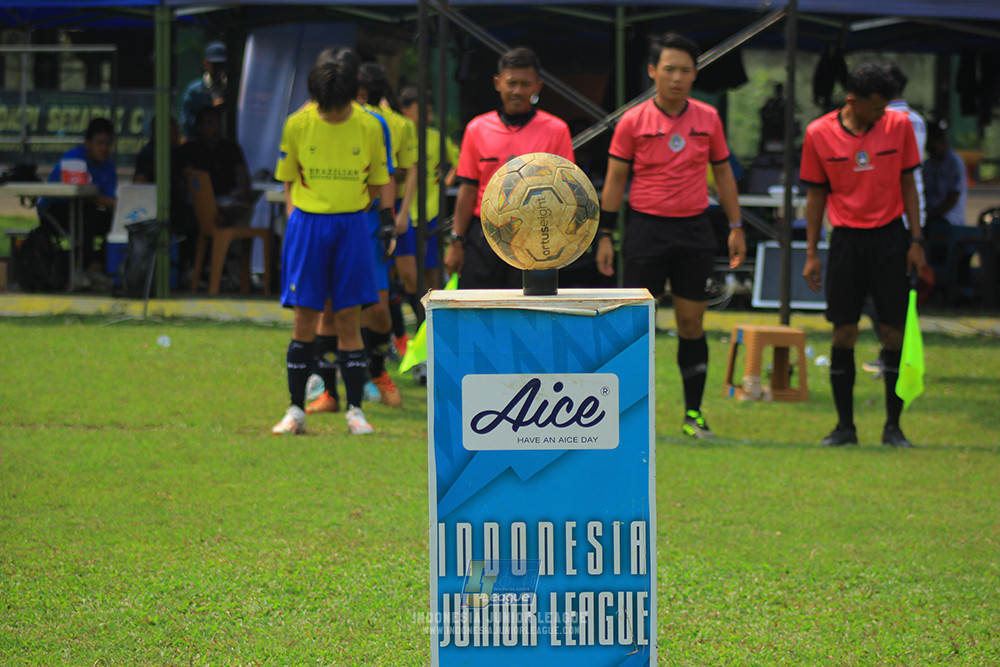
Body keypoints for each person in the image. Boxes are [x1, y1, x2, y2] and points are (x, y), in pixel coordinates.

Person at [595, 32, 745, 440]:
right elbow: (615, 180)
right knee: (636, 325)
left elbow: (724, 175)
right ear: (652, 71)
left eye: (684, 70)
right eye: (669, 69)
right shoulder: (633, 120)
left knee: (691, 322)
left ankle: (693, 414)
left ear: (695, 74)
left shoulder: (708, 118)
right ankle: (625, 420)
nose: (676, 78)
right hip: (646, 229)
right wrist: (605, 233)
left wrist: (736, 227)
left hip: (694, 230)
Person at [800, 62, 926, 448]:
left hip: (890, 238)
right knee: (844, 331)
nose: (881, 113)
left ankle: (893, 428)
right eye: (875, 107)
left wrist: (916, 240)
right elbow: (816, 195)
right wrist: (811, 252)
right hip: (845, 241)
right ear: (852, 100)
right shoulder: (818, 133)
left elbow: (908, 183)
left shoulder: (898, 126)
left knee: (892, 332)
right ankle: (845, 427)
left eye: (885, 106)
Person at [270, 57, 393, 436]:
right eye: (326, 107)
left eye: (338, 106)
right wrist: (297, 217)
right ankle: (295, 410)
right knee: (304, 318)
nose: (332, 113)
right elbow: (288, 179)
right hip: (307, 225)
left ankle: (356, 411)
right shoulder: (297, 124)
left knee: (348, 318)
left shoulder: (370, 126)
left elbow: (377, 183)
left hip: (352, 225)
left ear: (352, 96)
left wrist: (351, 211)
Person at [444, 47, 574, 289]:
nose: (517, 91)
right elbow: (468, 189)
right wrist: (456, 241)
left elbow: (567, 192)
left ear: (538, 86)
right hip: (485, 234)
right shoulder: (477, 129)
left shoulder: (556, 130)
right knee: (480, 304)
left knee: (531, 306)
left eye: (525, 84)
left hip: (537, 235)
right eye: (511, 83)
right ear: (497, 83)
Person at [862, 62, 927, 377]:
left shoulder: (891, 122)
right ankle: (893, 354)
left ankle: (895, 356)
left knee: (880, 296)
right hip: (909, 214)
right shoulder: (916, 119)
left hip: (893, 216)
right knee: (891, 295)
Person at [398, 85, 460, 320]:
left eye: (430, 110)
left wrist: (444, 184)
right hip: (404, 213)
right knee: (408, 274)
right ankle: (419, 319)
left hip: (430, 213)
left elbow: (460, 162)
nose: (427, 115)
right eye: (420, 110)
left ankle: (436, 321)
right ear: (404, 111)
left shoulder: (437, 138)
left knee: (432, 271)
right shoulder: (401, 136)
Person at [39, 117, 117, 290]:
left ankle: (96, 267)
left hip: (86, 213)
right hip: (56, 212)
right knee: (86, 214)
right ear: (87, 143)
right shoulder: (72, 159)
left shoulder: (108, 166)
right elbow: (79, 193)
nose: (104, 149)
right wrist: (112, 202)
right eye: (99, 143)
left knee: (115, 221)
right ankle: (81, 269)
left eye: (108, 144)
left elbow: (108, 201)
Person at [176, 105, 257, 228]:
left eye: (218, 123)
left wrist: (243, 194)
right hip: (202, 205)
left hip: (230, 200)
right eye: (210, 124)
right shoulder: (190, 150)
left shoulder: (230, 148)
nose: (216, 128)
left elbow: (242, 175)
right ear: (200, 128)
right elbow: (185, 184)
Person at [180, 41, 227, 142]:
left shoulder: (231, 89)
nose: (219, 70)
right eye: (215, 65)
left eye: (222, 65)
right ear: (205, 64)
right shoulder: (195, 91)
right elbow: (186, 121)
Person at [923, 123, 967, 228]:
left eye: (933, 147)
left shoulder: (954, 163)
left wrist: (933, 214)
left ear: (942, 142)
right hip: (930, 213)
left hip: (950, 217)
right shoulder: (928, 164)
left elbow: (953, 197)